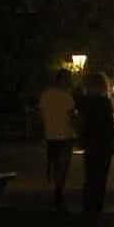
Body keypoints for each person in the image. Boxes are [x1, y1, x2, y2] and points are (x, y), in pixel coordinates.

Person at [77, 71, 114, 215]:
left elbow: (81, 122)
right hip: (104, 142)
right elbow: (110, 125)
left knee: (90, 174)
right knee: (101, 175)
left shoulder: (84, 102)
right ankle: (97, 204)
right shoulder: (105, 102)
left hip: (90, 141)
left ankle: (88, 203)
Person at [38, 69, 78, 212]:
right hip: (65, 135)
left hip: (51, 135)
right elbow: (72, 116)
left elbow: (41, 115)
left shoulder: (45, 95)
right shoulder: (66, 97)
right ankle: (59, 193)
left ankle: (57, 189)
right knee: (63, 166)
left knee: (55, 164)